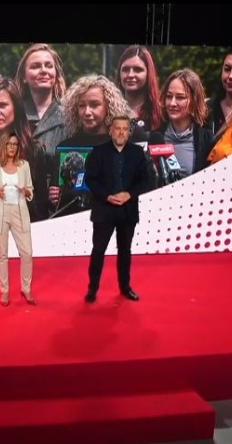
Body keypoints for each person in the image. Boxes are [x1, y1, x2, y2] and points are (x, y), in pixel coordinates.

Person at [83, 115, 149, 303]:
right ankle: (92, 289)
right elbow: (90, 179)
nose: (121, 132)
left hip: (127, 210)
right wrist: (107, 196)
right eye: (117, 128)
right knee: (98, 250)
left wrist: (129, 194)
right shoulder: (98, 152)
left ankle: (125, 287)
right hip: (104, 210)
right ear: (110, 131)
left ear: (129, 132)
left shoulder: (137, 153)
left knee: (125, 251)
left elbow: (145, 180)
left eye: (124, 129)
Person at [0, 131, 37, 306]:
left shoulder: (24, 166)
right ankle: (4, 291)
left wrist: (25, 191)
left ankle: (26, 288)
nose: (12, 147)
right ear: (3, 145)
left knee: (27, 253)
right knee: (2, 255)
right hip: (0, 212)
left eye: (15, 144)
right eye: (9, 144)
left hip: (19, 212)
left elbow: (30, 190)